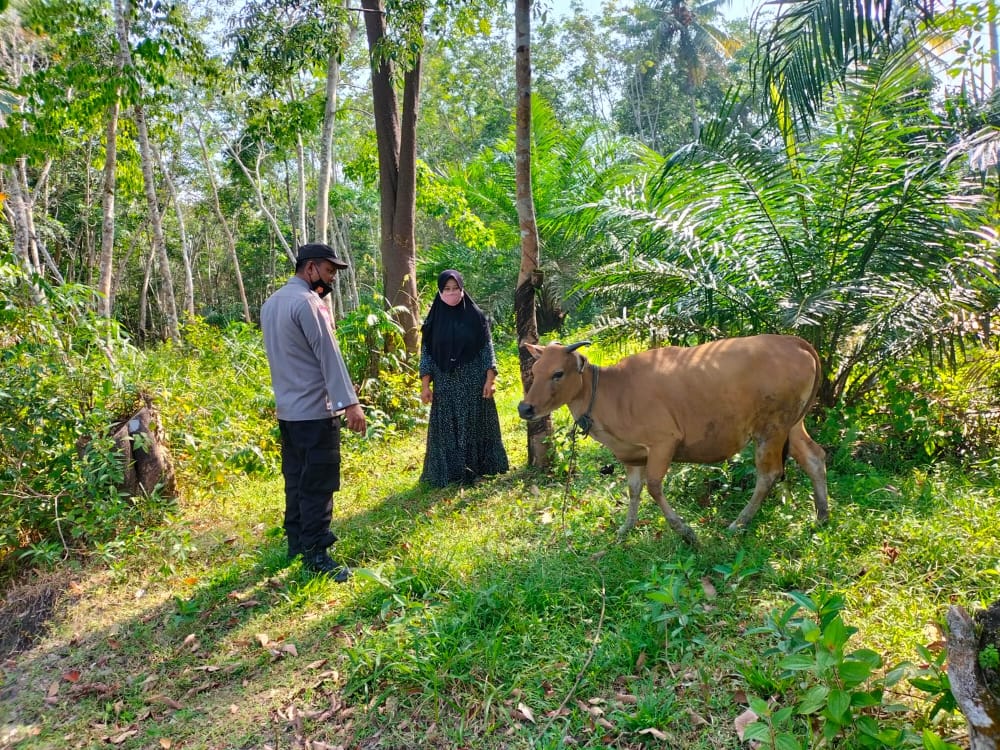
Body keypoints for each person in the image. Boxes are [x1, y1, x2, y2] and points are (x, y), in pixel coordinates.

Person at [260, 243, 366, 581]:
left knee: (296, 479)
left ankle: (296, 543)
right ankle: (317, 555)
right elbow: (328, 355)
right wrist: (349, 403)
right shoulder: (309, 303)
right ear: (310, 269)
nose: (331, 277)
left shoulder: (272, 303)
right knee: (318, 483)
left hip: (288, 411)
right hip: (315, 412)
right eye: (329, 270)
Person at [419, 270, 509, 486]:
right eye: (447, 289)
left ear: (462, 289)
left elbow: (487, 350)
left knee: (474, 425)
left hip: (473, 383)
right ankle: (449, 473)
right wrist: (425, 386)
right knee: (448, 428)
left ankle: (479, 469)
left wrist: (490, 380)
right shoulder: (432, 322)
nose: (451, 293)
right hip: (445, 384)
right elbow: (427, 355)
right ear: (440, 292)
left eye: (455, 289)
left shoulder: (476, 317)